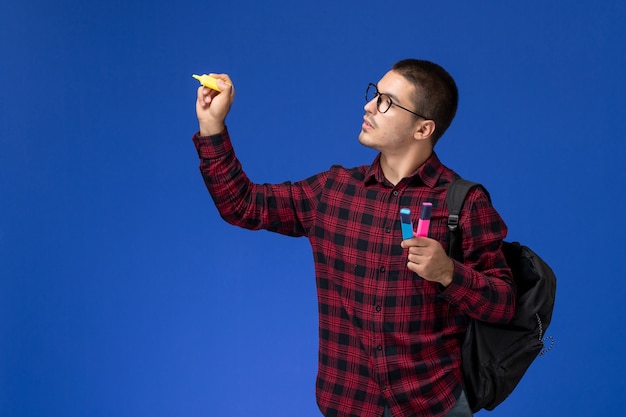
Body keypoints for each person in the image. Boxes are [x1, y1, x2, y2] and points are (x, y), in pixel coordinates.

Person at [192, 59, 516, 417]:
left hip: (434, 404)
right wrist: (212, 126)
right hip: (348, 403)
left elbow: (502, 305)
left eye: (387, 102)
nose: (369, 106)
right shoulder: (332, 192)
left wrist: (448, 273)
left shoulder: (464, 203)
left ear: (423, 129)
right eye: (374, 94)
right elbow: (243, 205)